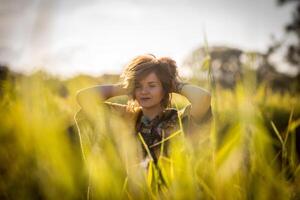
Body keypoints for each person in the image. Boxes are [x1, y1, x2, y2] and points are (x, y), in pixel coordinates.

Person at [75, 54, 212, 166]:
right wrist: (128, 86)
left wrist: (172, 84)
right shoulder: (124, 116)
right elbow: (84, 97)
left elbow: (203, 98)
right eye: (139, 86)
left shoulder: (179, 119)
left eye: (152, 85)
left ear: (164, 88)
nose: (144, 92)